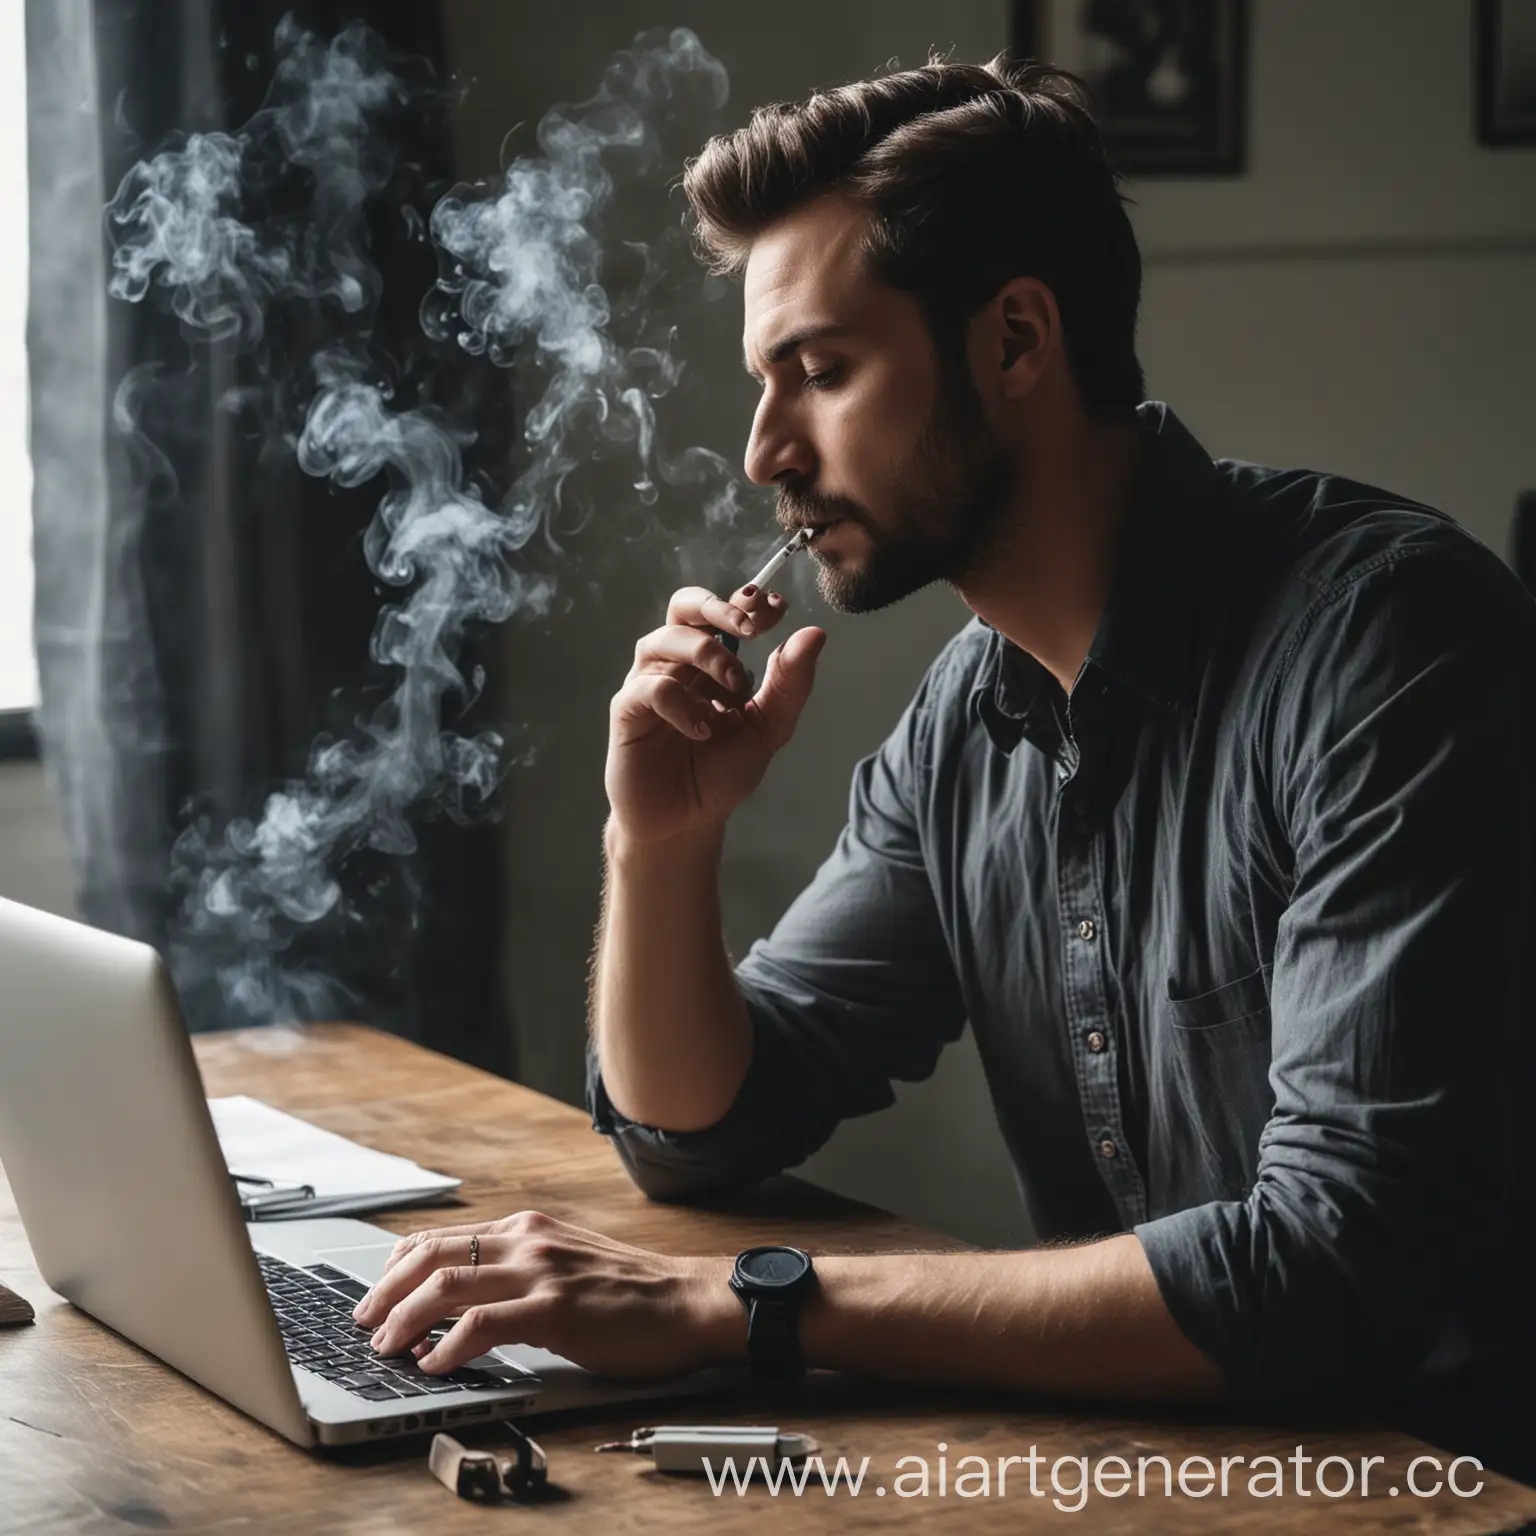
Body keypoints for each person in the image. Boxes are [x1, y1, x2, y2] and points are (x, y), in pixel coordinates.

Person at [351, 56, 1534, 1484]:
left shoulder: (1393, 646)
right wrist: (656, 841)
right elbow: (703, 1127)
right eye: (762, 384)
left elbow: (1330, 1269)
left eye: (822, 371)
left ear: (1018, 341)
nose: (764, 452)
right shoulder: (973, 715)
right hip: (1167, 1484)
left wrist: (736, 1306)